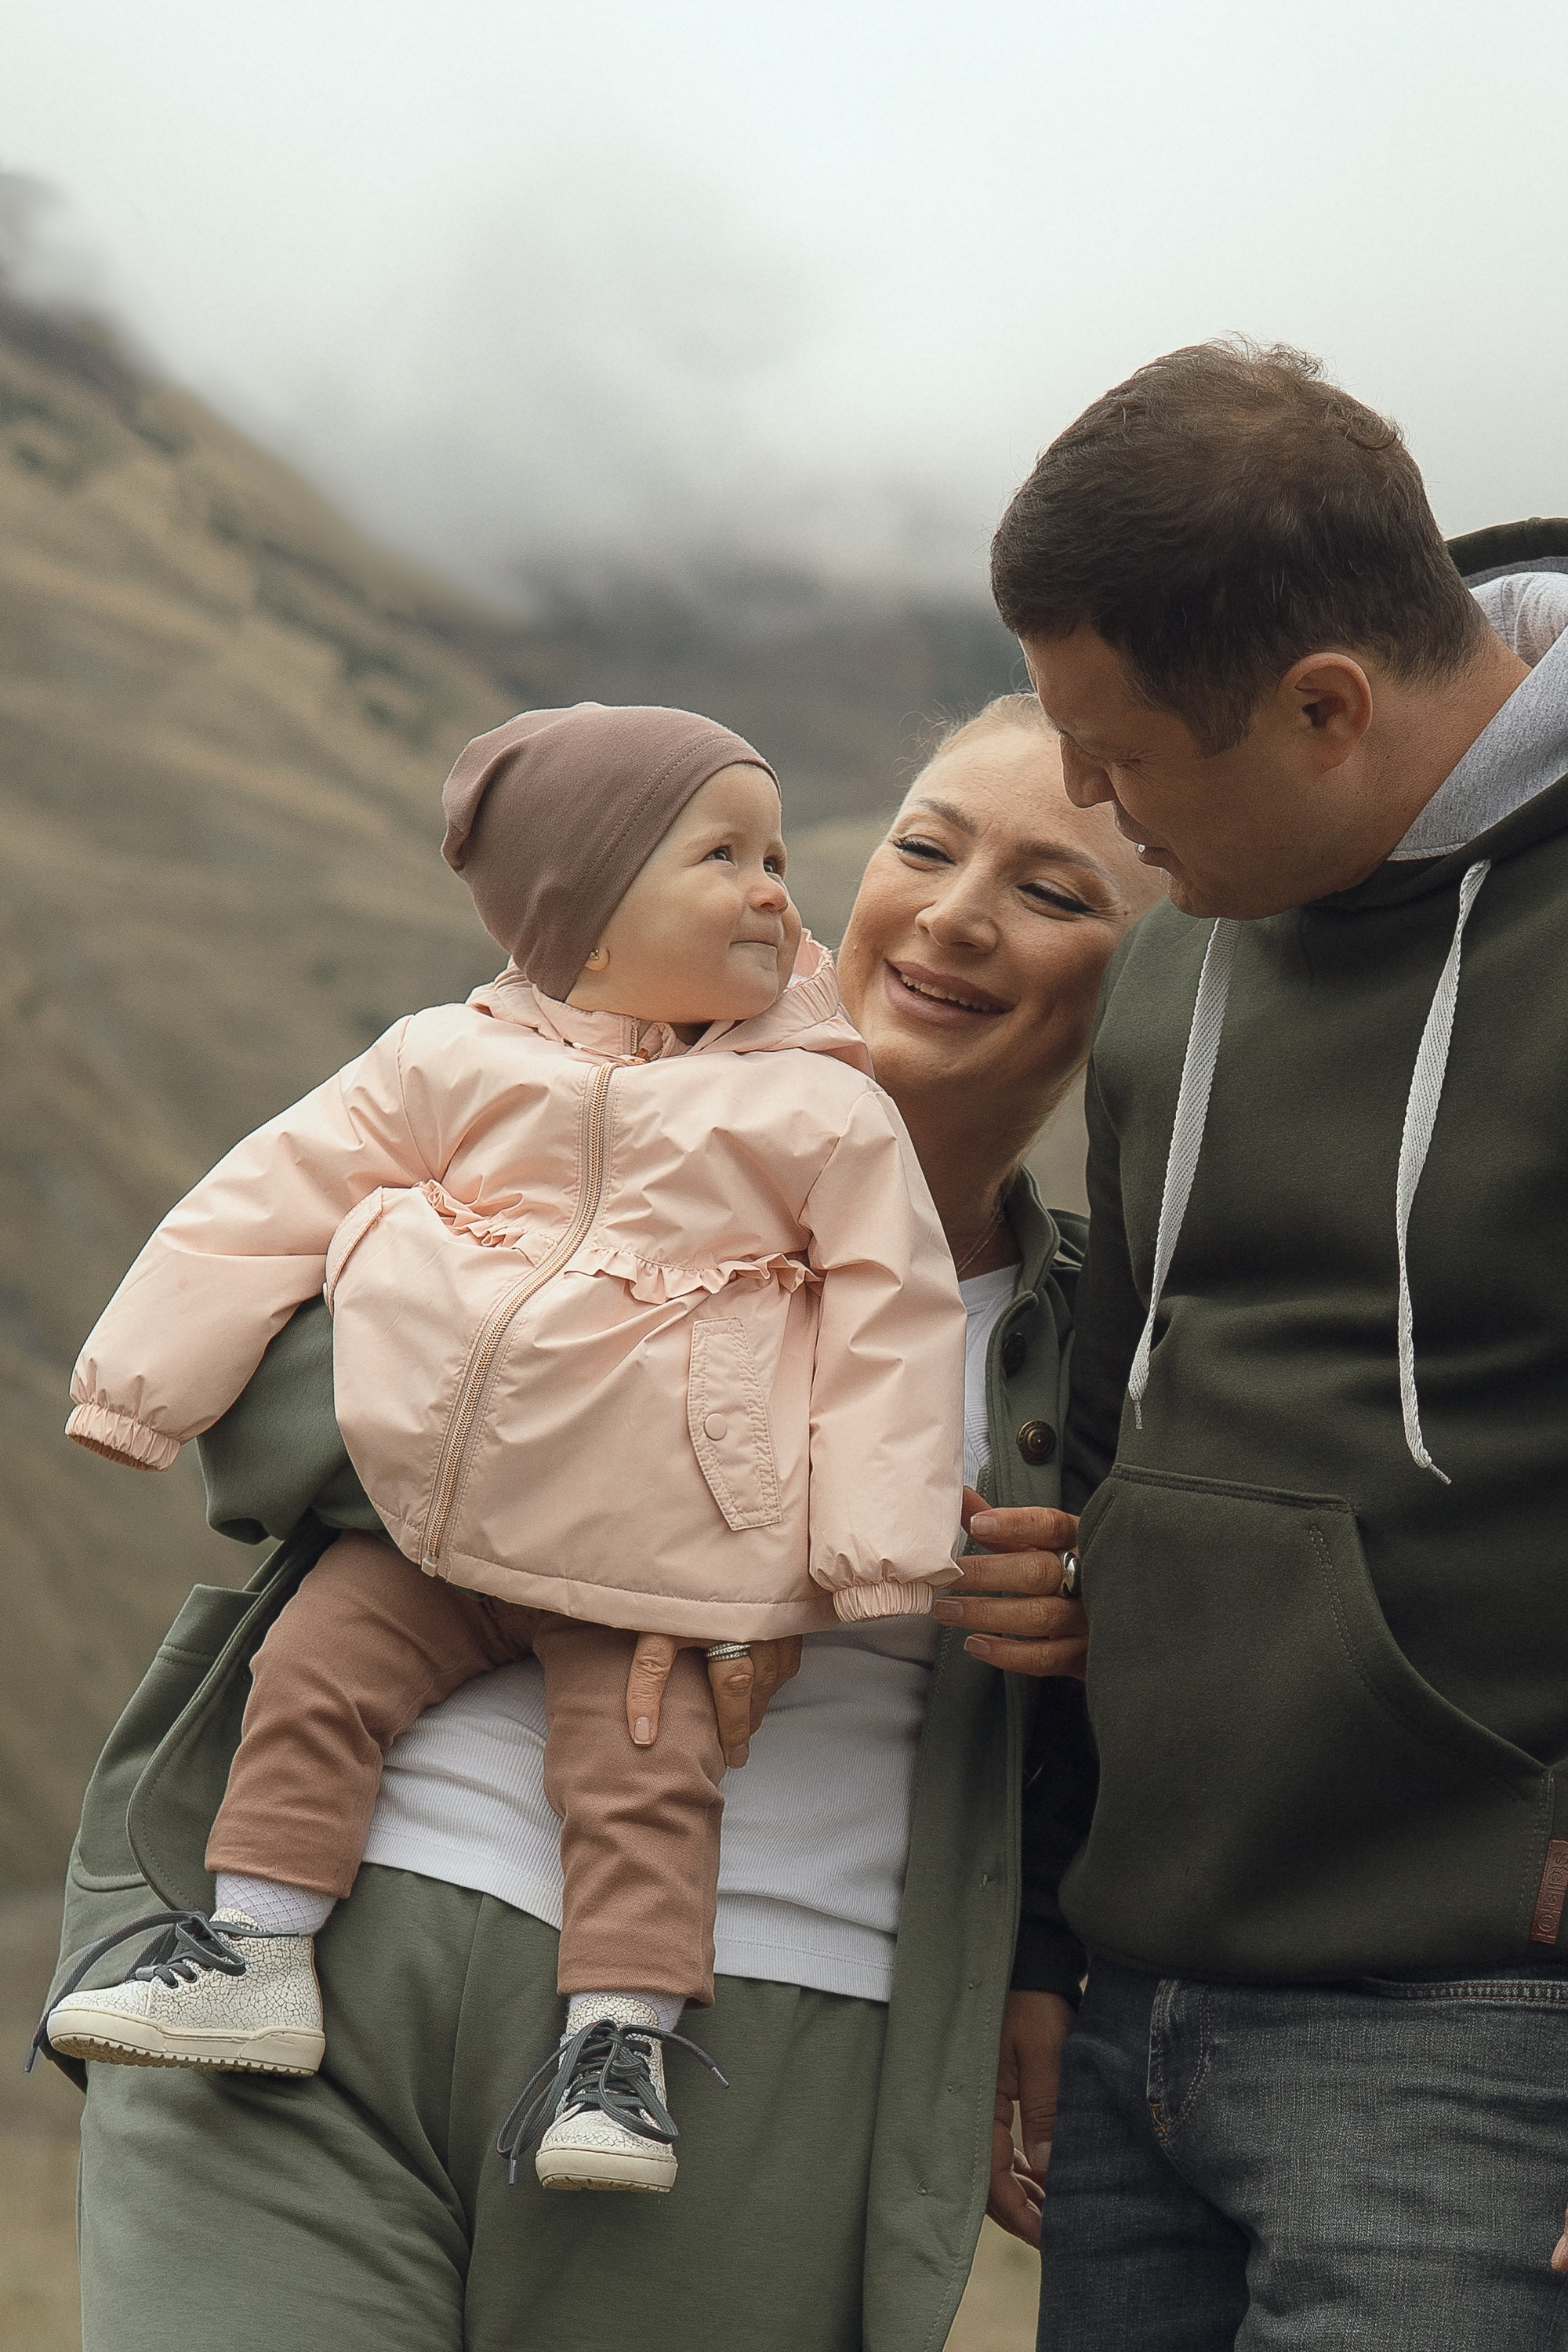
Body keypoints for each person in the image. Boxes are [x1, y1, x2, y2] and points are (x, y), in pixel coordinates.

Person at [38, 692, 1156, 2351]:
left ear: (1156, 983)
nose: (954, 916)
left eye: (1054, 891)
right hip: (316, 1952)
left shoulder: (1117, 1344)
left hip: (748, 2050)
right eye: (924, 848)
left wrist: (1096, 1628)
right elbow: (269, 1430)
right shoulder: (526, 1102)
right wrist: (698, 1532)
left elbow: (1174, 1712)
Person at [988, 336, 1568, 2347]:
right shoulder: (1172, 966)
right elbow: (1104, 1453)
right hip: (1141, 2016)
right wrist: (1047, 1931)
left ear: (1325, 706)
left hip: (1478, 2040)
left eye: (1122, 754)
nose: (1088, 804)